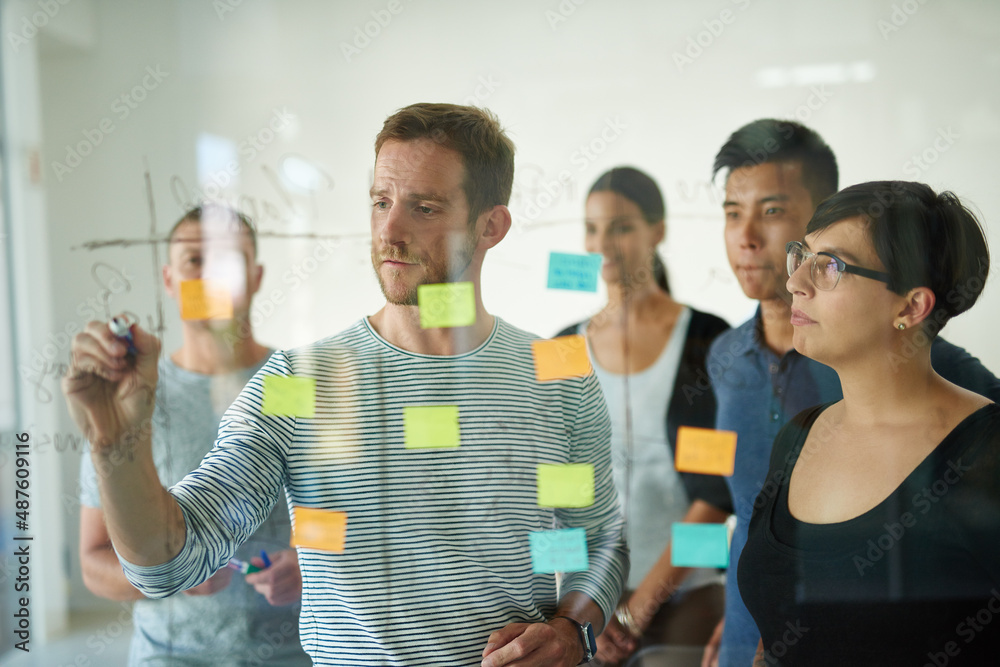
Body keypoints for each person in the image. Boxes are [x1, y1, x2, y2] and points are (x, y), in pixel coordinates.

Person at [62, 103, 628, 667]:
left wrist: (569, 630)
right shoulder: (301, 383)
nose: (390, 230)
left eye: (423, 208)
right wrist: (117, 443)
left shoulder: (557, 372)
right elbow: (167, 563)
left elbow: (597, 538)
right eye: (381, 202)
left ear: (491, 225)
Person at [702, 119, 1000, 667]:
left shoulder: (984, 451)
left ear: (911, 307)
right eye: (803, 256)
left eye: (831, 266)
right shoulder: (797, 435)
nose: (796, 281)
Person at [77, 204, 310, 665]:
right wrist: (172, 575)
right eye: (194, 261)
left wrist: (309, 564)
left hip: (293, 652)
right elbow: (94, 561)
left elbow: (347, 513)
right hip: (171, 656)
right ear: (169, 279)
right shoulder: (131, 401)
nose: (210, 277)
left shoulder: (298, 387)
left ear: (256, 275)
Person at [556, 167, 731, 665]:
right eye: (592, 229)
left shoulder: (708, 340)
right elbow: (553, 494)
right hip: (587, 609)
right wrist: (579, 605)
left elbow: (715, 499)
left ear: (659, 230)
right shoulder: (560, 349)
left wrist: (634, 611)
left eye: (622, 226)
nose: (603, 244)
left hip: (690, 598)